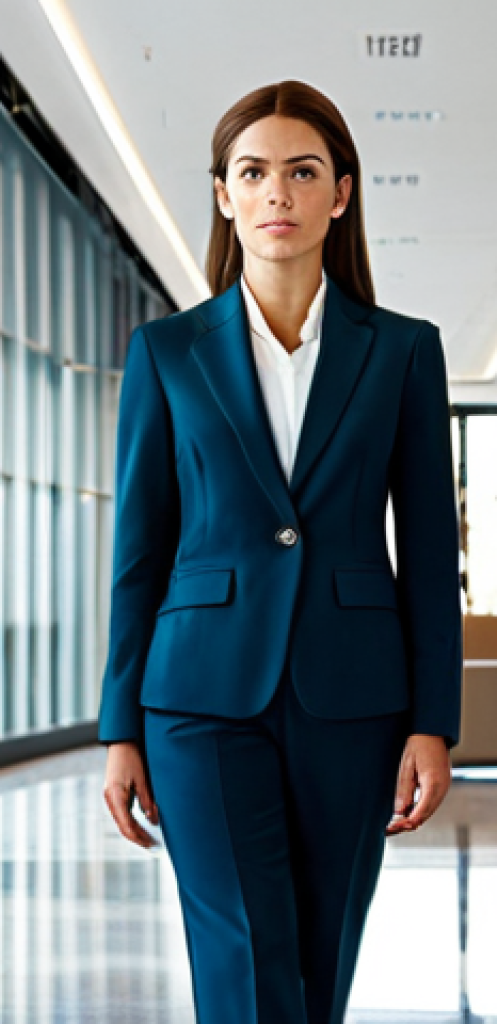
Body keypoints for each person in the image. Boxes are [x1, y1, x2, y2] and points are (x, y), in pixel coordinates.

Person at [98, 79, 463, 1024]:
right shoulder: (168, 352)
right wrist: (118, 728)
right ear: (224, 194)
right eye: (253, 173)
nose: (278, 194)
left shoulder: (404, 353)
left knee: (319, 951)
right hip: (196, 700)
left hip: (356, 696)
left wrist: (435, 720)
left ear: (340, 192)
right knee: (241, 954)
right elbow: (140, 549)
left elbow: (428, 553)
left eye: (302, 173)